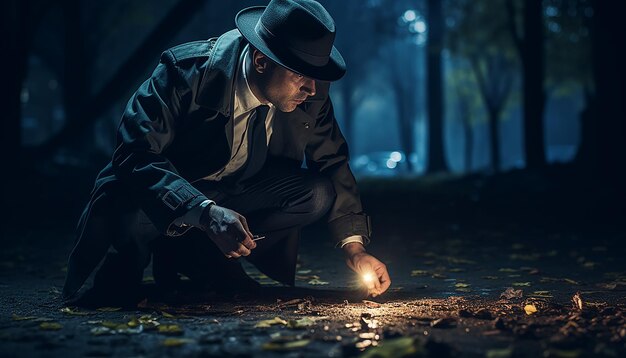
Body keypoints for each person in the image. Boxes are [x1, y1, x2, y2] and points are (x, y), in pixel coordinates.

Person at [62, 0, 391, 306]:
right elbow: (134, 153)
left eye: (316, 74)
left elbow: (332, 161)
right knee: (128, 199)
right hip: (167, 197)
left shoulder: (309, 94)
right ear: (261, 60)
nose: (312, 89)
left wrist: (355, 249)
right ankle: (129, 267)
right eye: (300, 73)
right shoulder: (184, 72)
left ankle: (207, 259)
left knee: (318, 193)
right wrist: (203, 212)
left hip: (235, 191)